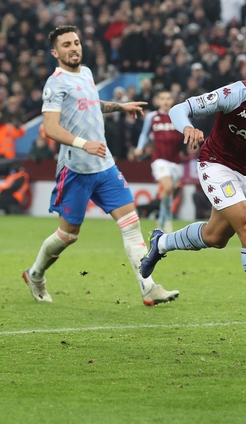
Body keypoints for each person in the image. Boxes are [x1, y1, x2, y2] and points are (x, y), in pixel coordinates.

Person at [141, 55, 246, 338]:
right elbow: (179, 109)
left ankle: (161, 243)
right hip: (216, 165)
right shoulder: (237, 94)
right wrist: (186, 126)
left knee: (214, 238)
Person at [22, 25, 179, 306]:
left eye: (77, 42)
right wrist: (84, 143)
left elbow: (92, 104)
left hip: (105, 167)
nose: (74, 48)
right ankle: (35, 274)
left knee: (131, 223)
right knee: (67, 235)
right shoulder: (55, 83)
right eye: (67, 44)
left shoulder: (86, 73)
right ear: (55, 52)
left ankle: (149, 287)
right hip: (75, 170)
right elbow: (50, 128)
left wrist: (120, 106)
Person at [134, 90, 184, 232]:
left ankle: (162, 219)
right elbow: (144, 133)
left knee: (169, 193)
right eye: (162, 98)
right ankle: (166, 220)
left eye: (168, 98)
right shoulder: (152, 117)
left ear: (172, 101)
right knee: (167, 188)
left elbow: (187, 131)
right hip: (159, 160)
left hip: (175, 162)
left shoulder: (179, 117)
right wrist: (139, 147)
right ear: (158, 101)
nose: (166, 101)